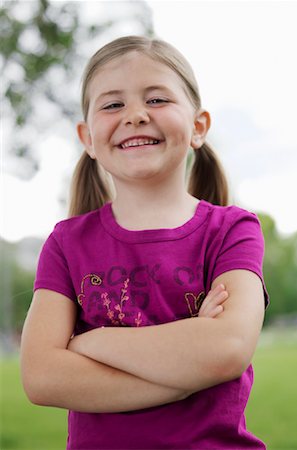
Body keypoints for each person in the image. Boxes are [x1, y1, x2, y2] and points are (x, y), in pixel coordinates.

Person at [20, 35, 269, 449]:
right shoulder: (66, 244)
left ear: (198, 127)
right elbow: (41, 376)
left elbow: (225, 349)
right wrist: (185, 372)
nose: (135, 115)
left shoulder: (232, 230)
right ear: (88, 138)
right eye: (113, 104)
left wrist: (91, 343)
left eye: (156, 100)